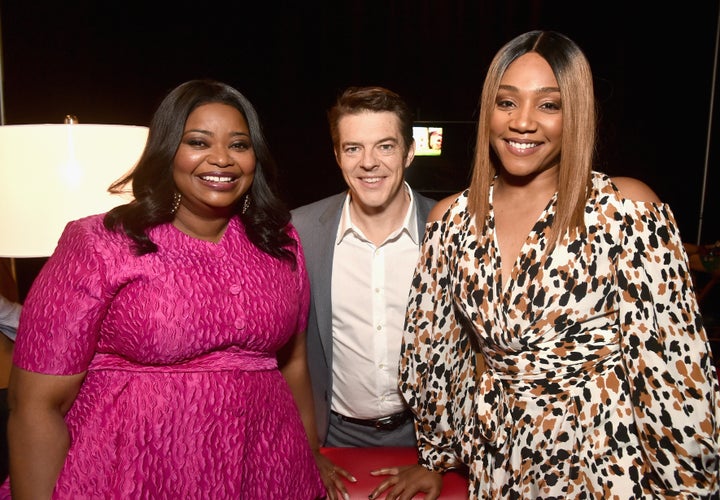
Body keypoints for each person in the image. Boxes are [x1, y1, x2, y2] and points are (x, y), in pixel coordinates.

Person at [394, 30, 720, 499]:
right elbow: (433, 354)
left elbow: (673, 373)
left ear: (576, 114)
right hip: (499, 463)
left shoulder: (624, 210)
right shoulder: (451, 222)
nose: (522, 122)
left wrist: (687, 488)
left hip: (606, 464)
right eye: (507, 102)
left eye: (548, 105)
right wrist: (437, 456)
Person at [2, 79, 325, 499]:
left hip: (266, 472)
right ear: (168, 148)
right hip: (132, 473)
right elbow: (36, 406)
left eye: (239, 145)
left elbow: (292, 364)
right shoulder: (100, 241)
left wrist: (312, 457)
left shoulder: (279, 241)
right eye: (198, 141)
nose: (222, 159)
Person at [291, 86, 437, 498]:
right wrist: (308, 449)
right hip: (332, 435)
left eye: (385, 146)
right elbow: (289, 355)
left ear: (409, 152)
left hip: (429, 441)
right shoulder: (301, 232)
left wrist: (443, 457)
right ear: (337, 156)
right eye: (353, 148)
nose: (368, 162)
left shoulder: (449, 229)